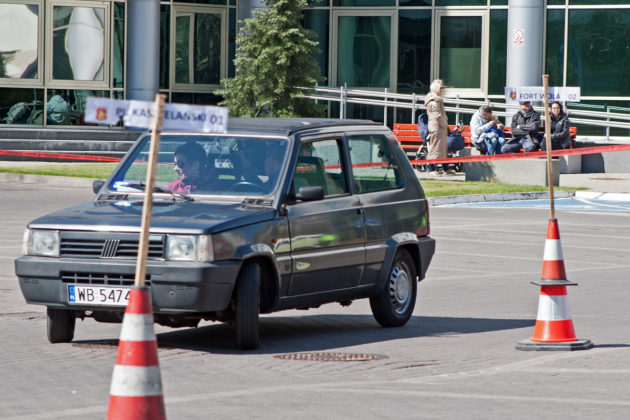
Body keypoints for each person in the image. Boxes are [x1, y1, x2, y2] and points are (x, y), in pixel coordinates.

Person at [424, 79, 454, 176]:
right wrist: (445, 124)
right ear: (436, 88)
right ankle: (431, 168)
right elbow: (436, 115)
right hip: (437, 127)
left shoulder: (437, 98)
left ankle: (446, 168)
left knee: (443, 149)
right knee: (435, 148)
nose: (442, 89)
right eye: (441, 88)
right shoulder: (433, 100)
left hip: (441, 126)